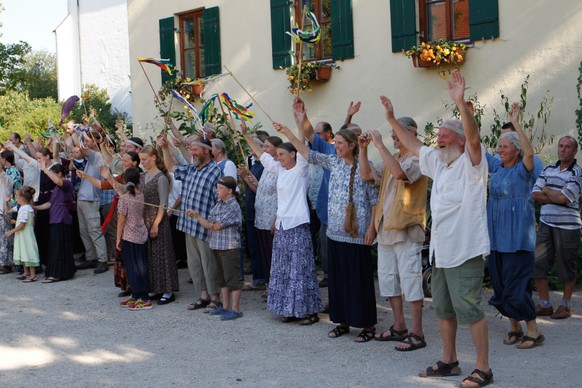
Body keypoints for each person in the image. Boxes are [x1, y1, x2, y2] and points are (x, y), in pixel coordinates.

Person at [384, 70, 492, 387]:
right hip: (441, 252)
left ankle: (483, 368)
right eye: (440, 134)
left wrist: (461, 103)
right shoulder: (440, 164)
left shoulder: (473, 163)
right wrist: (391, 120)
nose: (439, 138)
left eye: (446, 134)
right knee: (443, 309)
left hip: (466, 249)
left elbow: (473, 138)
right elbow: (415, 144)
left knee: (469, 309)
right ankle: (449, 360)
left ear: (459, 140)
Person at [287, 108, 379, 340]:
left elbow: (375, 201)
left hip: (357, 234)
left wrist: (372, 229)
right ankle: (343, 321)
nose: (335, 146)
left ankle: (367, 325)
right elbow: (306, 153)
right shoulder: (333, 162)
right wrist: (289, 131)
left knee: (358, 280)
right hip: (335, 232)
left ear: (351, 145)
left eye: (339, 143)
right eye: (335, 142)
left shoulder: (365, 166)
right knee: (338, 280)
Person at [241, 121, 322, 325]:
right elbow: (262, 155)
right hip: (283, 226)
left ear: (293, 155)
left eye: (282, 155)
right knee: (284, 270)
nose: (279, 158)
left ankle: (308, 310)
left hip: (298, 225)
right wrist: (245, 135)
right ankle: (289, 308)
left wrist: (289, 129)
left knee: (300, 270)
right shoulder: (281, 170)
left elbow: (301, 145)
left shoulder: (300, 169)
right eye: (278, 156)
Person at [359, 119, 428, 351]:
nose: (394, 137)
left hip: (407, 229)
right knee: (389, 280)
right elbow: (366, 175)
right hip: (386, 227)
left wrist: (380, 146)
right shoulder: (394, 157)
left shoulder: (418, 158)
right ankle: (399, 326)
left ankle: (417, 333)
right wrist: (363, 148)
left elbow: (401, 175)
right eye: (392, 134)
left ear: (412, 133)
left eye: (397, 133)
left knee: (411, 281)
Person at [486, 103, 543, 348]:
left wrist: (516, 123)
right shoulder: (497, 167)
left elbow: (530, 154)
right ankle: (514, 326)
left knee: (516, 287)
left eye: (505, 147)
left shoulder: (523, 171)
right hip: (496, 239)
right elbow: (475, 145)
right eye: (499, 147)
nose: (500, 150)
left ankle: (534, 330)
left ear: (516, 151)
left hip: (518, 239)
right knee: (499, 286)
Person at [159, 132, 222, 311]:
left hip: (205, 227)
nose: (192, 153)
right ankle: (203, 295)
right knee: (194, 264)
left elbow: (221, 200)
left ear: (206, 151)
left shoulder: (215, 171)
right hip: (189, 225)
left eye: (195, 149)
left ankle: (215, 298)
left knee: (209, 263)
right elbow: (170, 166)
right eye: (191, 149)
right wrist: (164, 148)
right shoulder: (192, 169)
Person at [532, 135, 582, 320]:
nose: (562, 149)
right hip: (546, 224)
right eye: (561, 146)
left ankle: (566, 305)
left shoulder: (577, 173)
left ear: (574, 151)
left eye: (567, 147)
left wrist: (547, 191)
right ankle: (545, 304)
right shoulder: (548, 168)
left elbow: (565, 198)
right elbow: (535, 194)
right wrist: (554, 194)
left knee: (565, 266)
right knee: (538, 263)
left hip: (568, 228)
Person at [187, 176, 244, 321]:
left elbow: (218, 226)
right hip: (217, 246)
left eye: (220, 188)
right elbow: (209, 224)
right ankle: (225, 307)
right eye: (217, 188)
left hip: (230, 247)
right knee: (221, 279)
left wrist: (213, 224)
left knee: (233, 279)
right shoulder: (218, 204)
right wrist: (198, 216)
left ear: (230, 191)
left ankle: (236, 309)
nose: (217, 191)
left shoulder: (233, 206)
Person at [138, 146, 178, 305]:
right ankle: (155, 287)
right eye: (141, 160)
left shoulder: (161, 177)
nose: (143, 163)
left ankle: (168, 290)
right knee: (149, 255)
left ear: (154, 157)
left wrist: (156, 224)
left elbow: (163, 204)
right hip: (144, 219)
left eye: (145, 160)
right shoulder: (142, 176)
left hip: (158, 220)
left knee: (162, 255)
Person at [71, 131, 109, 274]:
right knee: (84, 230)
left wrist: (75, 135)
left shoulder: (97, 156)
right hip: (82, 198)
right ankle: (91, 256)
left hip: (91, 199)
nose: (86, 143)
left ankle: (102, 259)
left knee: (94, 230)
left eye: (88, 140)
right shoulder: (91, 158)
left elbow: (81, 149)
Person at [116, 167, 153, 311]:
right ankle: (136, 294)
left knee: (133, 267)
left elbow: (121, 220)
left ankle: (144, 297)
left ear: (125, 180)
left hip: (130, 235)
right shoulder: (140, 195)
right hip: (140, 232)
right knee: (140, 265)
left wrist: (118, 238)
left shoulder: (125, 198)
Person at [33, 162, 76, 283]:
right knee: (56, 246)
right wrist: (35, 207)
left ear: (59, 174)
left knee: (59, 246)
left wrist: (45, 170)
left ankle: (57, 274)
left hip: (62, 217)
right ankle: (62, 272)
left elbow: (58, 181)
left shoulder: (66, 183)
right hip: (55, 217)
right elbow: (49, 204)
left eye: (52, 174)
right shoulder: (56, 188)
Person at [5, 186, 39, 282]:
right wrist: (6, 202)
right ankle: (26, 272)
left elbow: (23, 224)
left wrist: (11, 231)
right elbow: (9, 212)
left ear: (22, 198)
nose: (16, 198)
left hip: (25, 235)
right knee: (23, 252)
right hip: (23, 234)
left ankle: (32, 275)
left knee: (28, 252)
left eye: (17, 196)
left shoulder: (25, 209)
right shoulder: (25, 207)